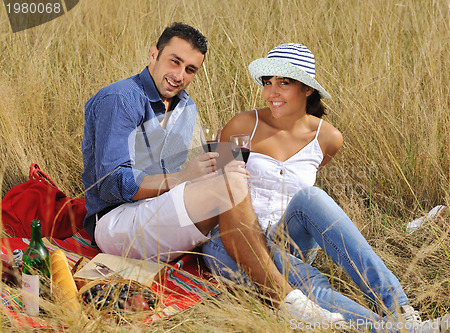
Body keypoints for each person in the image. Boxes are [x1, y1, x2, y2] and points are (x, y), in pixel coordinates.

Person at [81, 23, 345, 326]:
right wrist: (184, 179)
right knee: (229, 186)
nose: (180, 76)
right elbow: (111, 185)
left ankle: (362, 310)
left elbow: (178, 177)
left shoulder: (186, 106)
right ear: (153, 54)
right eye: (174, 61)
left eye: (191, 69)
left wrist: (206, 176)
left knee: (232, 183)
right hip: (116, 224)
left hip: (161, 215)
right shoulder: (120, 99)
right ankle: (286, 301)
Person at [202, 43, 450, 332]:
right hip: (236, 239)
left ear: (307, 88)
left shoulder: (328, 137)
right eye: (267, 82)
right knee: (307, 280)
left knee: (310, 196)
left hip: (288, 238)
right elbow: (216, 190)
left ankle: (400, 309)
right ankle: (397, 330)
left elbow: (305, 189)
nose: (272, 92)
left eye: (284, 82)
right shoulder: (244, 124)